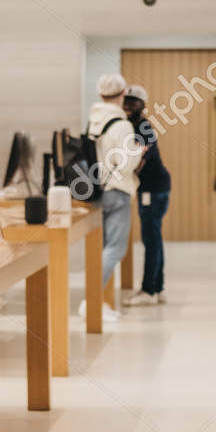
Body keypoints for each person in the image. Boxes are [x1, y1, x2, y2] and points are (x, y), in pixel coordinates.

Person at [84, 73, 143, 319]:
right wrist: (138, 151)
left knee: (104, 249)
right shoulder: (122, 125)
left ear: (100, 95)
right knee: (115, 250)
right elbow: (126, 164)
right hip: (118, 191)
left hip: (99, 191)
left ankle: (99, 304)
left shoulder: (93, 122)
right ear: (122, 94)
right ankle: (91, 303)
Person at [123, 84, 171, 306]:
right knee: (154, 238)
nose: (129, 105)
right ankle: (157, 288)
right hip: (152, 189)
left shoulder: (143, 128)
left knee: (151, 239)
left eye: (134, 101)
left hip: (153, 190)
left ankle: (149, 290)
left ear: (143, 105)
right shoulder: (132, 126)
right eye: (126, 100)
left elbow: (138, 163)